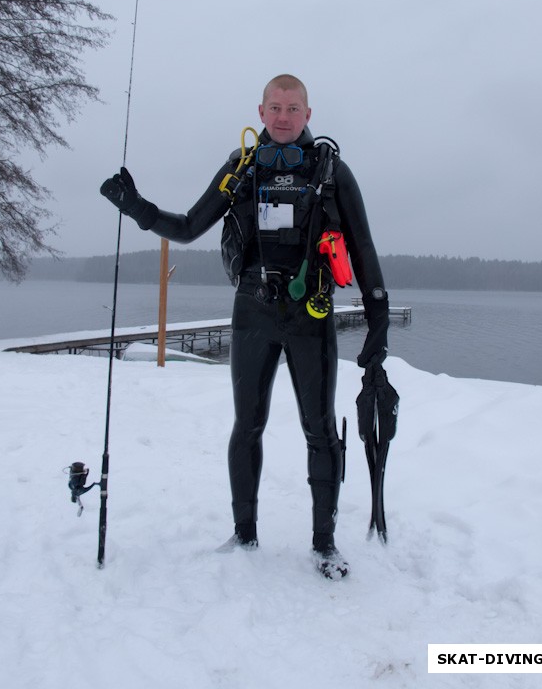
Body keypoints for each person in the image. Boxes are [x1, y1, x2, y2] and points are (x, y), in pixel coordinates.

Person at [100, 74, 389, 580]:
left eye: (292, 108)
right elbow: (189, 227)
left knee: (319, 430)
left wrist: (378, 320)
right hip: (252, 310)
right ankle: (244, 533)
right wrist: (137, 208)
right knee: (246, 426)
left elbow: (362, 250)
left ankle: (324, 544)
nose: (283, 116)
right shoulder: (241, 167)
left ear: (308, 114)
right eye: (274, 107)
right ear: (260, 111)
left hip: (310, 313)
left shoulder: (332, 170)